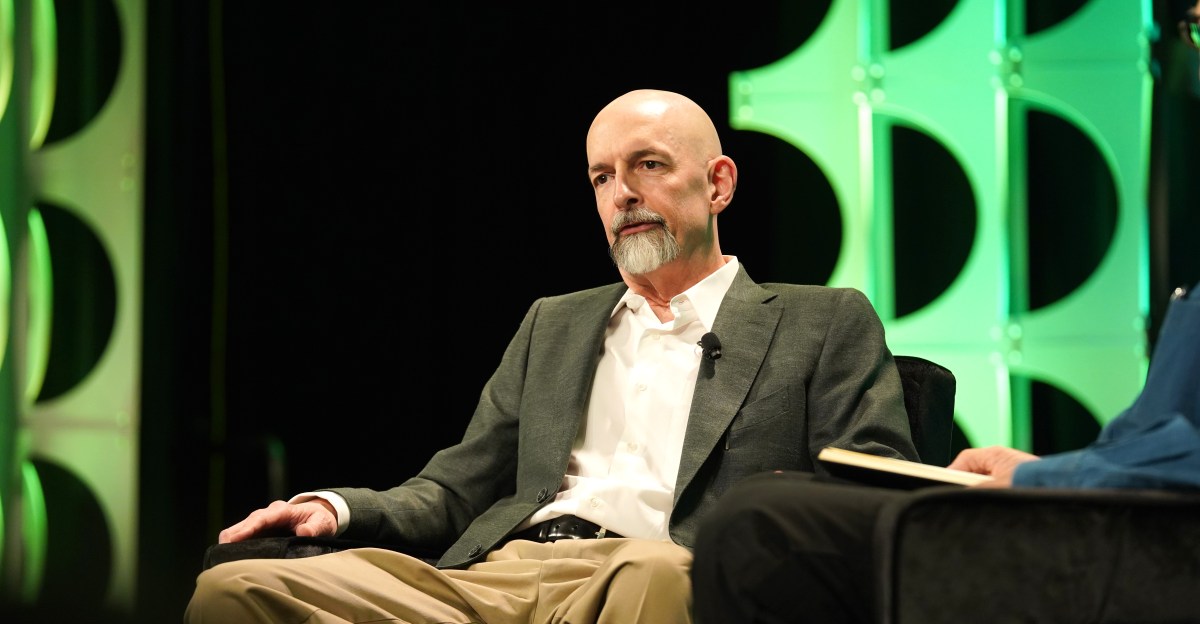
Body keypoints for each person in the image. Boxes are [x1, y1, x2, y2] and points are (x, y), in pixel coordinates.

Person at [185, 88, 919, 623]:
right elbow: (455, 489)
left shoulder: (822, 321)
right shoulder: (555, 324)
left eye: (649, 165)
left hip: (661, 574)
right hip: (499, 575)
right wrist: (335, 508)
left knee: (654, 577)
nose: (622, 193)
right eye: (602, 177)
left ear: (718, 183)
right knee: (237, 592)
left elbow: (871, 491)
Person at [689, 6, 1200, 622]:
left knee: (758, 524)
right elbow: (1152, 436)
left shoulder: (830, 319)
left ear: (719, 185)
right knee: (770, 505)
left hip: (1148, 538)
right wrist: (1048, 470)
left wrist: (1048, 482)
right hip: (1110, 500)